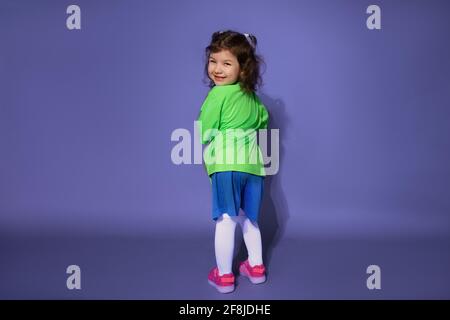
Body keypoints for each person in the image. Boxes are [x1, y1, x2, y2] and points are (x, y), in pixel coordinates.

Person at [197, 30, 269, 294]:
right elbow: (263, 120)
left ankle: (224, 276)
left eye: (226, 63)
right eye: (213, 61)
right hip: (253, 168)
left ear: (243, 69)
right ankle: (256, 267)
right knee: (250, 219)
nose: (217, 69)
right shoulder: (253, 98)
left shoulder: (217, 95)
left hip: (226, 166)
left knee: (226, 219)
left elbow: (205, 131)